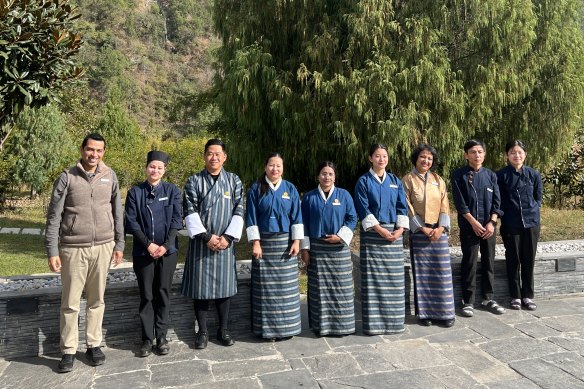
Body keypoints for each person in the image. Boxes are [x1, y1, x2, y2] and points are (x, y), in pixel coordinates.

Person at [45, 133, 124, 373]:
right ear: (82, 149)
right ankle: (68, 350)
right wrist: (52, 249)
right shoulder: (67, 177)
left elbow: (117, 211)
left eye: (99, 151)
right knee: (70, 302)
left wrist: (119, 244)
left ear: (104, 152)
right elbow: (54, 216)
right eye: (90, 149)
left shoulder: (109, 176)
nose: (94, 154)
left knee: (96, 300)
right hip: (72, 248)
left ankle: (93, 344)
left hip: (103, 246)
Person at [182, 139, 244, 349]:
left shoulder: (234, 181)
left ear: (225, 157)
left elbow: (239, 209)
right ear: (204, 156)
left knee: (224, 288)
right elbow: (189, 210)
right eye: (210, 153)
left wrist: (227, 238)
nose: (214, 157)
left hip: (226, 243)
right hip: (202, 244)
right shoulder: (193, 181)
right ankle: (203, 331)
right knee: (201, 290)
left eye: (218, 154)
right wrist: (206, 237)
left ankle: (223, 329)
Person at [125, 151, 182, 357]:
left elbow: (177, 220)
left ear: (164, 170)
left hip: (168, 253)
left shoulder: (173, 190)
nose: (155, 170)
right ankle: (147, 339)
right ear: (146, 168)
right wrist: (148, 245)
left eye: (159, 167)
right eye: (152, 166)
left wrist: (165, 246)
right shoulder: (135, 192)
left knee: (163, 293)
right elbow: (132, 222)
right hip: (143, 252)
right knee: (147, 296)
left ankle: (162, 337)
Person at [245, 153, 303, 340]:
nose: (275, 169)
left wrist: (296, 241)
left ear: (282, 168)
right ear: (265, 167)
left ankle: (288, 329)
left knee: (286, 289)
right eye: (271, 165)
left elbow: (297, 217)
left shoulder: (290, 189)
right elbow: (251, 218)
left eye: (278, 166)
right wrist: (256, 243)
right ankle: (267, 331)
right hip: (264, 245)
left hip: (285, 245)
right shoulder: (255, 189)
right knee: (265, 290)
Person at [354, 144, 409, 335]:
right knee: (373, 281)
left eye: (384, 156)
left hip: (394, 236)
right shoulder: (363, 182)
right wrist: (379, 229)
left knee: (394, 281)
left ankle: (394, 323)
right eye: (377, 156)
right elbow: (363, 209)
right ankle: (373, 325)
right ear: (370, 158)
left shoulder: (394, 180)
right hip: (373, 235)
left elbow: (402, 207)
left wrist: (400, 230)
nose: (381, 159)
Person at [300, 161, 358, 336]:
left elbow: (352, 218)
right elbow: (302, 224)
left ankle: (343, 326)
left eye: (330, 174)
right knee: (319, 289)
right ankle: (320, 327)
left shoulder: (344, 195)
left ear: (335, 177)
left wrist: (340, 236)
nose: (327, 177)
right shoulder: (309, 198)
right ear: (318, 176)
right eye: (324, 173)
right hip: (317, 248)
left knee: (342, 288)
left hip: (339, 248)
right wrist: (305, 249)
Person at [402, 144, 455, 328]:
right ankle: (425, 314)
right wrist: (421, 228)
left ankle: (446, 313)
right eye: (423, 157)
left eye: (430, 158)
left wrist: (441, 228)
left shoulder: (438, 179)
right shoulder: (407, 180)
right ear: (416, 159)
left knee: (442, 273)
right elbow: (406, 206)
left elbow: (445, 205)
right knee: (423, 275)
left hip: (438, 233)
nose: (426, 161)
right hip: (419, 233)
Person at [451, 139, 505, 317]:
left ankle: (488, 298)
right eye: (473, 152)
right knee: (470, 262)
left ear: (484, 154)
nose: (477, 155)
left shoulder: (491, 175)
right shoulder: (459, 175)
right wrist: (473, 223)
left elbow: (497, 202)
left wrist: (492, 222)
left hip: (489, 227)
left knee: (489, 261)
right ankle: (468, 301)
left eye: (480, 151)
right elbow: (461, 204)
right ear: (466, 155)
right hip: (469, 227)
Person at [497, 140, 542, 311]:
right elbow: (498, 200)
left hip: (531, 224)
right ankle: (515, 296)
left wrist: (534, 210)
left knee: (528, 259)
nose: (516, 155)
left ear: (525, 154)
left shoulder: (533, 174)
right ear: (507, 156)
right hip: (511, 223)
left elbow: (538, 197)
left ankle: (528, 296)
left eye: (519, 152)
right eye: (512, 152)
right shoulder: (501, 176)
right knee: (513, 259)